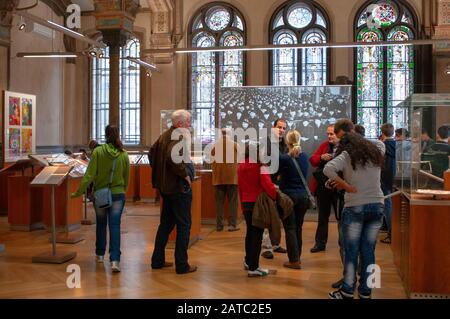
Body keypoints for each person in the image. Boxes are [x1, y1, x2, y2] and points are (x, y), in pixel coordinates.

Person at [324, 132, 385, 299]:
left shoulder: (346, 154)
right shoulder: (377, 149)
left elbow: (327, 168)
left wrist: (346, 186)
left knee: (351, 251)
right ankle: (366, 291)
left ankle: (347, 290)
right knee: (369, 250)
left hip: (355, 205)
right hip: (377, 205)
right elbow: (379, 142)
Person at [71, 125, 130, 273]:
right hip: (118, 194)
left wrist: (78, 192)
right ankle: (115, 260)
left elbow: (89, 175)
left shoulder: (97, 152)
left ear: (105, 135)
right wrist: (123, 190)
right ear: (118, 135)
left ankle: (99, 254)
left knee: (101, 224)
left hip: (101, 194)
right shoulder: (123, 154)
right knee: (115, 226)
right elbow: (126, 176)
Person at [150, 109, 197, 274]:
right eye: (189, 122)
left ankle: (157, 260)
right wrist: (184, 174)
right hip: (178, 189)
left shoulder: (164, 136)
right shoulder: (179, 135)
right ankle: (182, 265)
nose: (190, 125)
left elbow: (152, 153)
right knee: (184, 226)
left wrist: (160, 175)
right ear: (180, 123)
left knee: (166, 225)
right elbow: (172, 156)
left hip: (166, 188)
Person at [238, 143, 277, 277]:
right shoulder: (261, 167)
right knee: (257, 235)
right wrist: (275, 196)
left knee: (250, 233)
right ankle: (254, 268)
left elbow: (240, 188)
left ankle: (248, 261)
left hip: (246, 203)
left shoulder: (241, 166)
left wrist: (242, 204)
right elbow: (268, 186)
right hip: (258, 205)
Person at [278, 130, 309, 269]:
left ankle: (294, 260)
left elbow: (278, 176)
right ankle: (298, 257)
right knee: (298, 228)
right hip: (303, 196)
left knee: (290, 228)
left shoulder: (284, 158)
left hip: (288, 196)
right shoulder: (305, 157)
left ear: (287, 142)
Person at [260, 118, 288, 259]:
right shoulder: (265, 142)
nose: (282, 130)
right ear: (273, 127)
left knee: (278, 216)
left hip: (280, 185)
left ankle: (275, 244)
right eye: (279, 127)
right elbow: (262, 163)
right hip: (268, 184)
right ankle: (266, 247)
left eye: (284, 128)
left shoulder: (284, 144)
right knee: (267, 217)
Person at [310, 124, 340, 253]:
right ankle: (320, 243)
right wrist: (321, 157)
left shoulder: (345, 147)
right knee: (323, 216)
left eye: (331, 134)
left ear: (338, 134)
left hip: (339, 187)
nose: (329, 136)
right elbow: (312, 159)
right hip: (323, 187)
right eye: (328, 134)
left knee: (341, 217)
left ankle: (343, 243)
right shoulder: (324, 145)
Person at [211, 128, 240, 232]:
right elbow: (241, 159)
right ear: (230, 134)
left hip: (218, 178)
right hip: (233, 178)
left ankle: (219, 225)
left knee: (219, 203)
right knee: (233, 202)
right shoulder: (235, 144)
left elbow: (210, 158)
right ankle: (232, 224)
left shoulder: (214, 145)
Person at [380, 123, 396, 244]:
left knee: (388, 205)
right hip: (396, 177)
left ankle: (391, 233)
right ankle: (392, 231)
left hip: (384, 177)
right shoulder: (398, 145)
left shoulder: (382, 146)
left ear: (382, 133)